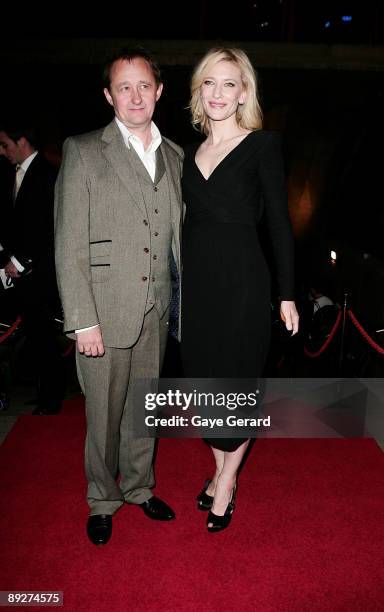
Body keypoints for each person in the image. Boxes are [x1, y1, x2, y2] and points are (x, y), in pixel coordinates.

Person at [54, 48, 183, 545]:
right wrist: (81, 319)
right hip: (102, 315)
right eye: (124, 87)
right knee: (103, 416)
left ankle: (138, 487)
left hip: (157, 308)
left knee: (144, 410)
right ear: (109, 95)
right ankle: (103, 498)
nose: (135, 95)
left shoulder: (174, 155)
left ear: (159, 91)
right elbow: (68, 242)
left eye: (144, 86)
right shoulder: (85, 150)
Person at [180, 48, 299, 532]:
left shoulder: (262, 146)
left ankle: (226, 483)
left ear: (244, 92)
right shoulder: (184, 154)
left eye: (229, 83)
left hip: (246, 285)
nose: (218, 93)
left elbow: (279, 225)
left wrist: (287, 293)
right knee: (203, 388)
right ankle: (219, 471)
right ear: (198, 91)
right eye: (209, 83)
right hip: (199, 288)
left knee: (238, 387)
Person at [0, 122, 64, 415]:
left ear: (22, 141)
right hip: (27, 272)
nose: (2, 152)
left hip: (41, 273)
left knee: (45, 337)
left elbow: (45, 227)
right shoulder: (20, 174)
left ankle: (51, 401)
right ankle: (44, 395)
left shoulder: (45, 173)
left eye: (5, 145)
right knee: (37, 337)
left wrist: (19, 260)